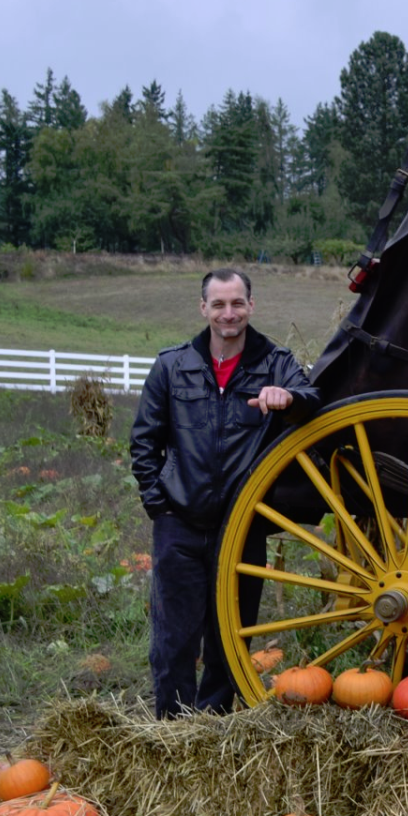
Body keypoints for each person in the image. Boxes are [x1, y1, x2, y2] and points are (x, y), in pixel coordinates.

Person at [130, 268, 320, 718]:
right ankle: (174, 725)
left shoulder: (275, 362)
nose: (228, 313)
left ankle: (213, 721)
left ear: (251, 306)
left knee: (230, 631)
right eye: (219, 304)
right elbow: (144, 440)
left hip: (240, 524)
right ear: (204, 309)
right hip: (180, 521)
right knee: (175, 636)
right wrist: (159, 503)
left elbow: (313, 399)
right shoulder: (172, 366)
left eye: (237, 303)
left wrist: (288, 399)